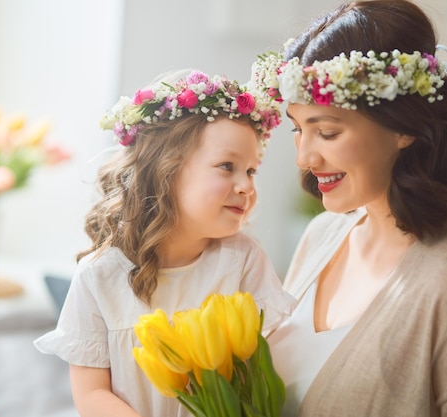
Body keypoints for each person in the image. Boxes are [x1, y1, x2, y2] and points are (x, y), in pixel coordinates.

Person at [250, 0, 447, 416]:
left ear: (404, 127)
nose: (304, 158)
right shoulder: (323, 236)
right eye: (298, 129)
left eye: (327, 132)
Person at [34, 69, 294, 417]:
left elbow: (267, 367)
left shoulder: (243, 259)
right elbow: (91, 395)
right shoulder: (99, 275)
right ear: (166, 170)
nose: (246, 186)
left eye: (250, 171)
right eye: (226, 166)